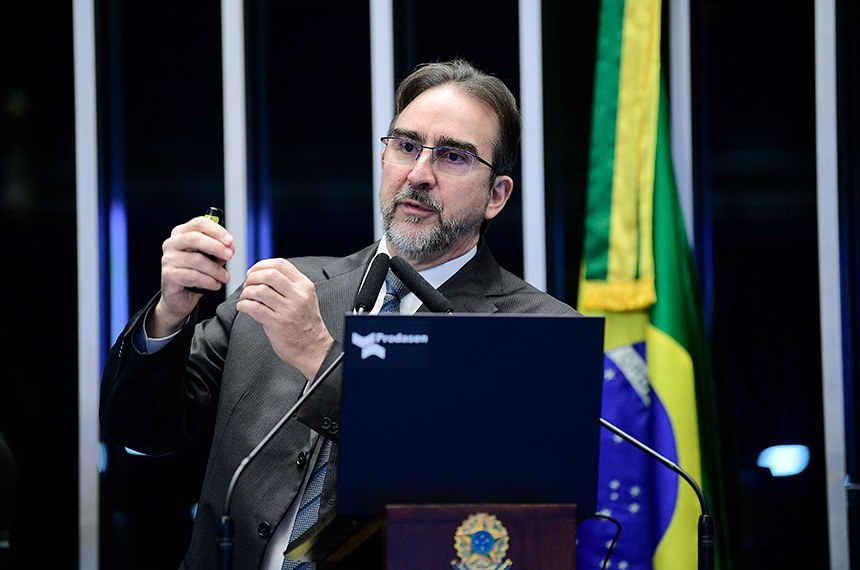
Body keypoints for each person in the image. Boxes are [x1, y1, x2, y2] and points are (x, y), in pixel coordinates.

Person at [99, 58, 578, 570]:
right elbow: (140, 428)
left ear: (497, 196)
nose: (419, 174)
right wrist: (170, 313)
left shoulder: (539, 336)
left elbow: (470, 491)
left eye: (453, 157)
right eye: (406, 145)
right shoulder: (283, 291)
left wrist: (321, 358)